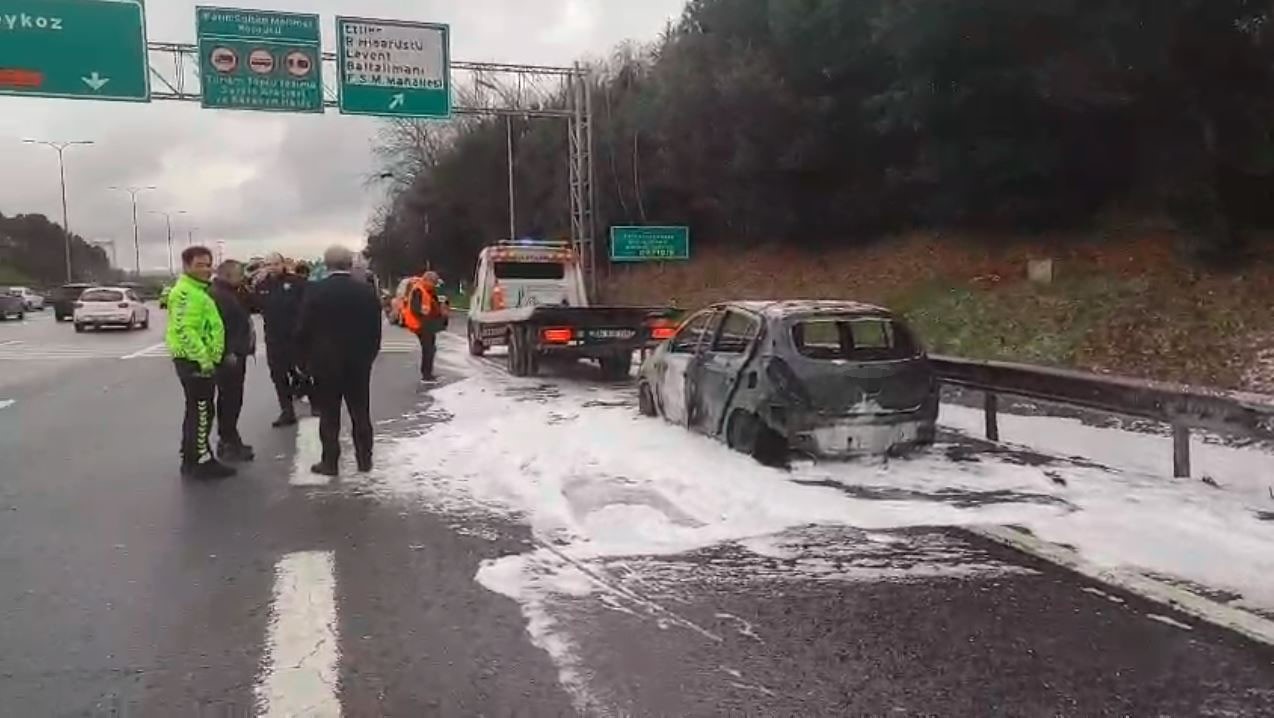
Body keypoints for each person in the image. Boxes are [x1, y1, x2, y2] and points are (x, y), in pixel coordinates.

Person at [296, 245, 383, 476]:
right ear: (350, 264)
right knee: (360, 413)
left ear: (326, 265)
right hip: (358, 362)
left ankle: (330, 462)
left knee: (329, 415)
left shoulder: (315, 291)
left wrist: (304, 361)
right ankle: (364, 461)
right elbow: (376, 329)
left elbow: (304, 329)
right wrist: (369, 355)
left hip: (325, 363)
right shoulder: (366, 292)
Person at [166, 246, 236, 480]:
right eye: (200, 265)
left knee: (197, 409)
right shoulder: (186, 293)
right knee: (202, 411)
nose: (206, 269)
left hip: (198, 360)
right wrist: (204, 360)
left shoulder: (199, 291)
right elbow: (184, 330)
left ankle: (191, 456)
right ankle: (200, 461)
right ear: (186, 266)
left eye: (208, 264)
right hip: (194, 362)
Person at [209, 259, 256, 463]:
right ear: (227, 275)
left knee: (233, 399)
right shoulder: (220, 296)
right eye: (239, 274)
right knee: (229, 399)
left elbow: (251, 306)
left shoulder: (231, 292)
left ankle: (230, 438)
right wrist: (228, 352)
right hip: (229, 356)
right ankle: (228, 441)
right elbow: (222, 327)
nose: (242, 277)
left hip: (236, 353)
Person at [253, 252, 307, 427]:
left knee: (304, 371)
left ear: (283, 264)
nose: (272, 267)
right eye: (269, 264)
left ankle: (316, 402)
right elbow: (254, 306)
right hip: (274, 339)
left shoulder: (297, 282)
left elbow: (309, 304)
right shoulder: (262, 285)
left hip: (297, 337)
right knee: (278, 376)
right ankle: (287, 411)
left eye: (276, 264)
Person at [402, 270, 449, 382]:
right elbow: (415, 308)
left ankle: (428, 373)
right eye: (433, 283)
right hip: (420, 324)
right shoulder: (418, 290)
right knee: (428, 349)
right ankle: (426, 375)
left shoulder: (428, 290)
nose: (434, 285)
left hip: (427, 324)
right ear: (427, 280)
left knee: (430, 348)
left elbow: (433, 305)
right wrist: (427, 318)